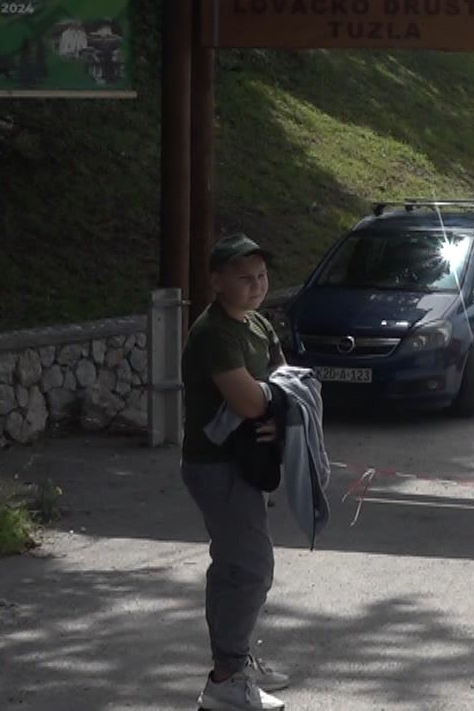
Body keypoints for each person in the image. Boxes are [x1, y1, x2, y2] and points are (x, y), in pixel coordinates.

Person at [182, 234, 292, 711]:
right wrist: (269, 404)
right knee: (249, 569)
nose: (256, 286)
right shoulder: (214, 334)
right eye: (244, 278)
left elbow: (283, 379)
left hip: (242, 464)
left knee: (236, 566)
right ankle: (226, 679)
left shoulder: (256, 324)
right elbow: (251, 399)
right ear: (216, 281)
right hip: (216, 467)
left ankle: (235, 661)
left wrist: (272, 412)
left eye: (262, 277)